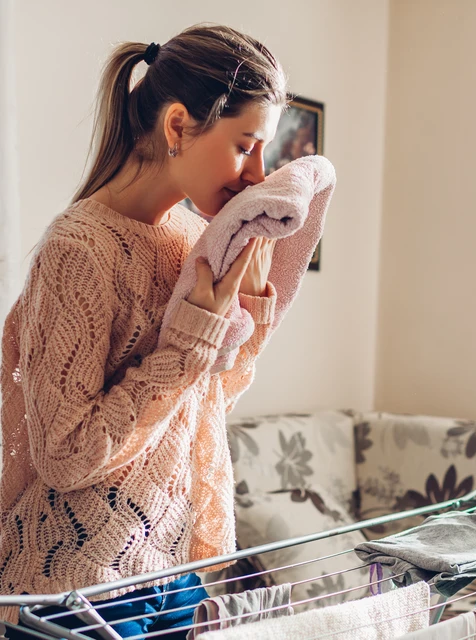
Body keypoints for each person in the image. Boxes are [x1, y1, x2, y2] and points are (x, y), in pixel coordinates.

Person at [0, 23, 287, 639]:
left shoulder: (193, 241)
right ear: (179, 125)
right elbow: (66, 454)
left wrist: (253, 306)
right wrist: (190, 341)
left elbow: (207, 400)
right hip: (80, 586)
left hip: (173, 570)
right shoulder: (80, 247)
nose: (258, 174)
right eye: (246, 145)